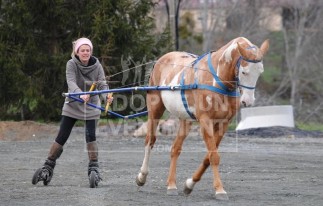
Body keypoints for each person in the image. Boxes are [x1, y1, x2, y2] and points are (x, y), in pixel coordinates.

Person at [32, 37, 112, 188]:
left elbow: (102, 84)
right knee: (62, 136)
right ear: (77, 52)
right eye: (83, 50)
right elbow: (71, 82)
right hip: (73, 104)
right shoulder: (71, 64)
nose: (85, 53)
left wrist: (107, 95)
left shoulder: (97, 66)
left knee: (90, 136)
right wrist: (80, 94)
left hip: (91, 106)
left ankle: (94, 168)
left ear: (91, 51)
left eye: (88, 50)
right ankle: (48, 166)